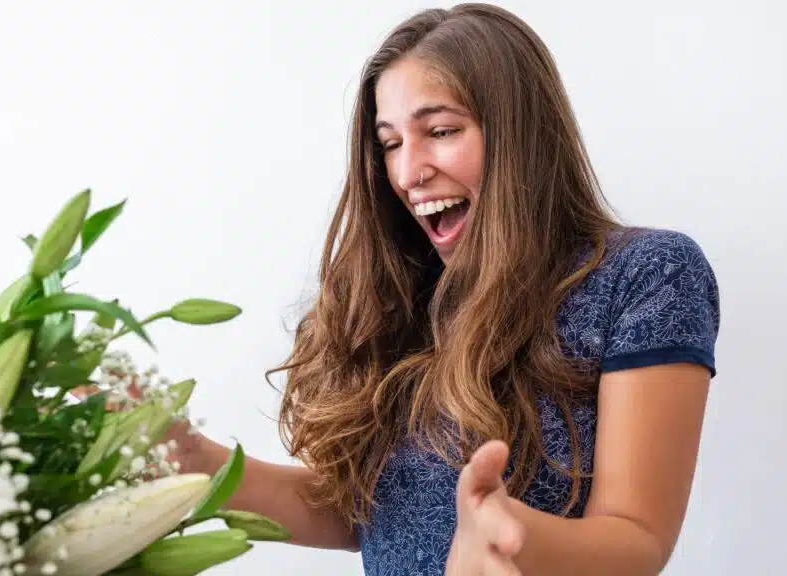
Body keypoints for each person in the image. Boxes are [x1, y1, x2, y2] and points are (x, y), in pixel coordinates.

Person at [167, 4, 720, 575]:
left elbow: (637, 541)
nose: (408, 173)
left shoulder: (645, 274)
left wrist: (512, 536)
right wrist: (196, 461)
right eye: (390, 144)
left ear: (522, 136)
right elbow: (364, 515)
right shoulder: (406, 297)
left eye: (440, 131)